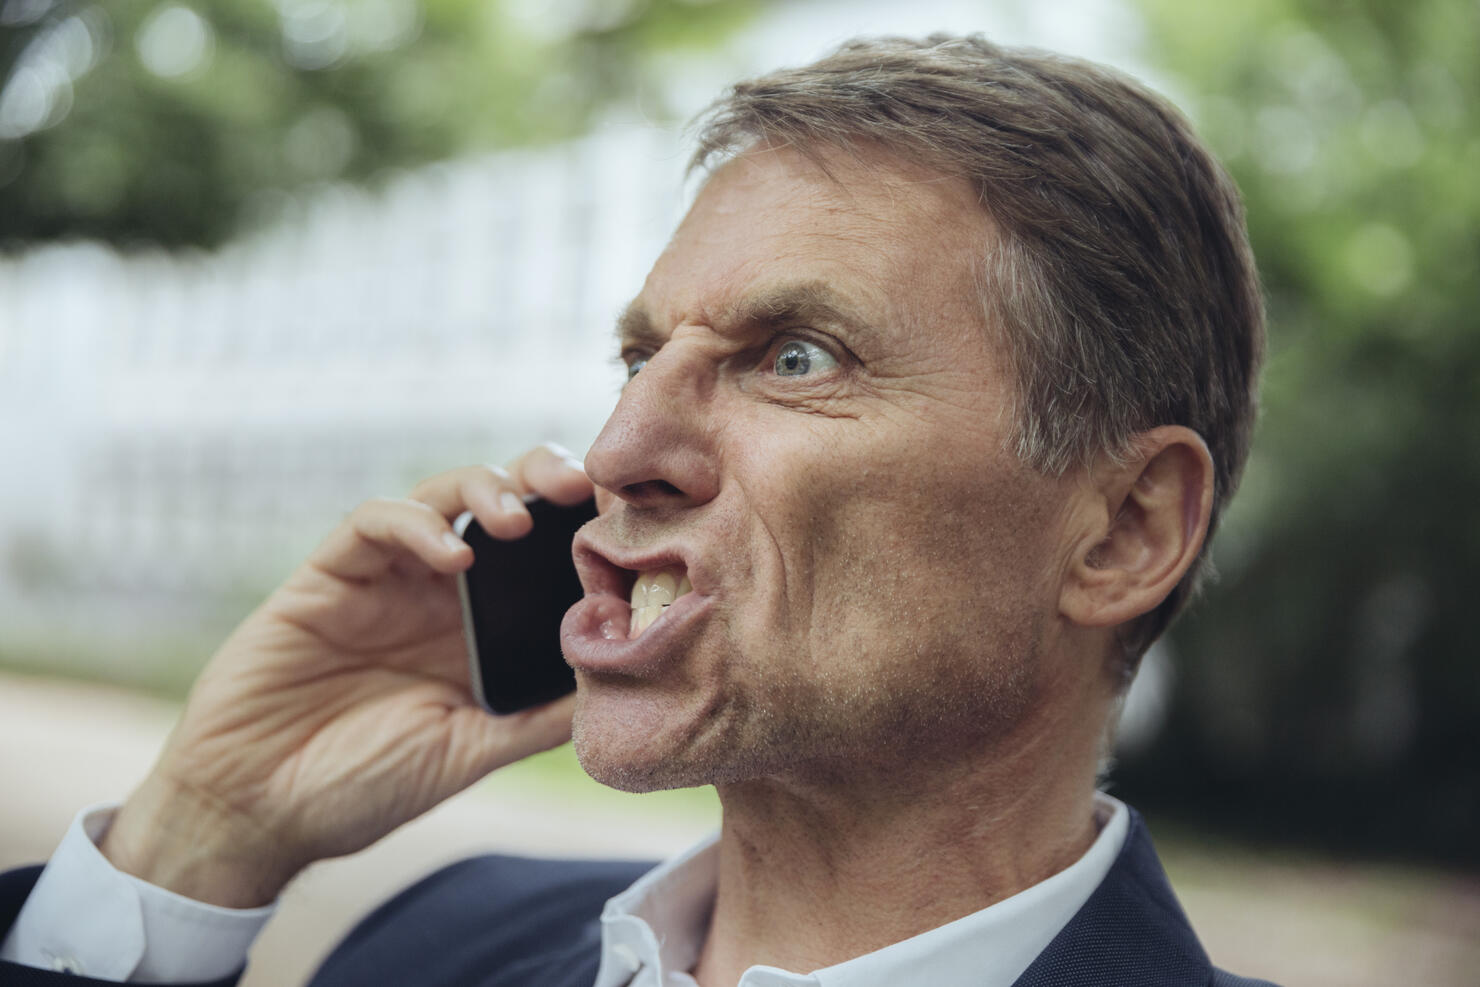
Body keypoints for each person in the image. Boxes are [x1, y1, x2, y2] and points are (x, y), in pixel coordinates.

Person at [0, 34, 1272, 987]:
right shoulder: (437, 939)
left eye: (796, 358)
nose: (620, 452)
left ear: (1123, 530)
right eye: (636, 360)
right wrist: (195, 842)